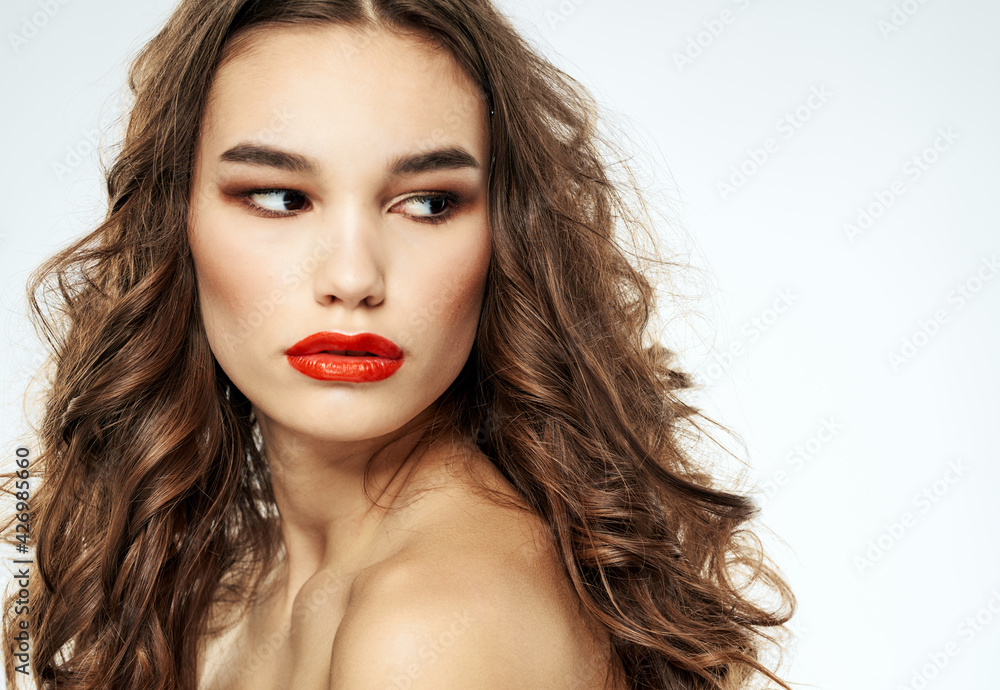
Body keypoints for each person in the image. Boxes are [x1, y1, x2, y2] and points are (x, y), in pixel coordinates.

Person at [2, 1, 795, 688]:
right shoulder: (230, 589)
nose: (353, 278)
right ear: (174, 222)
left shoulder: (429, 622)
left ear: (506, 235)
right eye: (280, 197)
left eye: (427, 204)